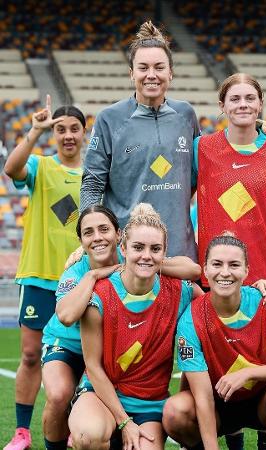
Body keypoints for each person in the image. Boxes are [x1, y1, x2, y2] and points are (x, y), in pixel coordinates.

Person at [40, 204, 201, 450]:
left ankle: (110, 429)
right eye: (88, 232)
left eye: (104, 229)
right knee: (62, 396)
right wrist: (93, 276)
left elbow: (194, 271)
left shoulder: (143, 264)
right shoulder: (80, 272)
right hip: (69, 343)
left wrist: (146, 264)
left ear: (118, 237)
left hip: (127, 373)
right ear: (81, 240)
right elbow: (66, 316)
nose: (97, 237)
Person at [163, 234, 266, 450]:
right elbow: (203, 398)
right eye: (217, 264)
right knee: (175, 411)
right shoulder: (190, 319)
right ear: (205, 269)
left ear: (246, 271)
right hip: (217, 407)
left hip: (261, 402)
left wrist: (248, 373)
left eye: (234, 265)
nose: (225, 272)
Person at [3, 97, 86, 450]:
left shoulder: (95, 174)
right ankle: (22, 431)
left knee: (81, 357)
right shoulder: (39, 165)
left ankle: (71, 425)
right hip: (39, 276)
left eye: (74, 129)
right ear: (54, 134)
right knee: (30, 355)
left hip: (81, 281)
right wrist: (35, 129)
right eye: (60, 129)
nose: (67, 135)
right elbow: (11, 169)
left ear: (85, 133)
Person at [80, 20, 200, 260]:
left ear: (171, 72)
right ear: (131, 73)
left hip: (179, 254)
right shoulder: (109, 119)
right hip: (128, 258)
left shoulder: (186, 115)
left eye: (159, 67)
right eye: (143, 68)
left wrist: (259, 128)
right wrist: (90, 236)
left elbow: (198, 175)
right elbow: (92, 186)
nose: (151, 75)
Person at [194, 73, 266, 292]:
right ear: (222, 105)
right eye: (235, 99)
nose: (243, 105)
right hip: (218, 273)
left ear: (260, 103)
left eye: (250, 98)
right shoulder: (202, 148)